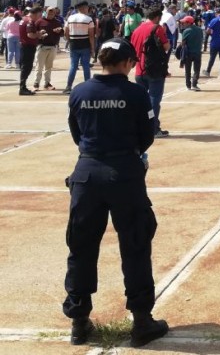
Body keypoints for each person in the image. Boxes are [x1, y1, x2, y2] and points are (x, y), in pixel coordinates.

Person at [63, 37, 168, 347]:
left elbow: (76, 133)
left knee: (81, 245)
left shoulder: (80, 91)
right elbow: (146, 136)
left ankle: (79, 322)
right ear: (126, 63)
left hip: (87, 173)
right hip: (124, 173)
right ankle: (141, 321)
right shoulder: (136, 93)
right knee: (135, 244)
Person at [130, 8, 170, 138]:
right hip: (154, 70)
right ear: (157, 17)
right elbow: (166, 46)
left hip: (139, 70)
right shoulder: (156, 28)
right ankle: (153, 128)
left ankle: (140, 126)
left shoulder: (136, 30)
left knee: (141, 101)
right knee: (154, 101)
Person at [63, 1, 96, 95]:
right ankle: (88, 86)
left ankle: (68, 86)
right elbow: (91, 36)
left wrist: (70, 41)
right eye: (87, 8)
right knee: (85, 65)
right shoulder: (88, 19)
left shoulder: (70, 18)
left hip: (74, 44)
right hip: (85, 44)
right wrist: (93, 48)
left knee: (73, 66)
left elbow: (66, 32)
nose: (88, 9)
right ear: (83, 8)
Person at [33, 6, 64, 91]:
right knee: (39, 66)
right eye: (49, 13)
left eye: (52, 13)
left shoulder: (57, 22)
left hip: (52, 46)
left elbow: (62, 33)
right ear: (45, 12)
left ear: (54, 13)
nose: (50, 14)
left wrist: (59, 31)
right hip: (42, 46)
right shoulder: (39, 21)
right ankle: (36, 83)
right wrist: (40, 35)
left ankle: (47, 83)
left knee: (49, 67)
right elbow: (34, 33)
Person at [19, 6, 46, 95]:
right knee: (27, 67)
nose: (40, 16)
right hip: (28, 46)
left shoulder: (24, 19)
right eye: (40, 14)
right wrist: (39, 34)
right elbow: (30, 35)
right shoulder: (30, 21)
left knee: (25, 66)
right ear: (36, 13)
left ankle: (23, 87)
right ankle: (22, 88)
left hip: (25, 45)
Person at [203, 7, 220, 79]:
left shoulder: (214, 20)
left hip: (215, 42)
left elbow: (208, 30)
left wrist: (212, 33)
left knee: (212, 58)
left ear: (216, 13)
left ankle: (208, 71)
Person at [180, 16, 203, 91]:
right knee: (196, 69)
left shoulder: (186, 31)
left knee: (188, 70)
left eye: (184, 22)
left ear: (188, 23)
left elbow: (183, 43)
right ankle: (194, 84)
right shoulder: (200, 30)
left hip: (188, 53)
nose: (183, 24)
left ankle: (188, 85)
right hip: (197, 52)